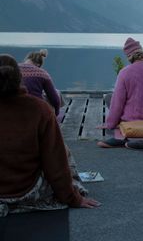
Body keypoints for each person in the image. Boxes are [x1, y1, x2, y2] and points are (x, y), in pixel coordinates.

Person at [0, 54, 100, 216]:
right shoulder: (40, 109)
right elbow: (55, 163)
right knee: (62, 150)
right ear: (20, 78)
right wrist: (73, 198)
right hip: (25, 190)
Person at [19, 49, 61, 116]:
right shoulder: (42, 73)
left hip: (15, 105)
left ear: (27, 59)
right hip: (36, 108)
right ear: (38, 64)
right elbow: (55, 99)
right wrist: (57, 113)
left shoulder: (14, 68)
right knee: (57, 93)